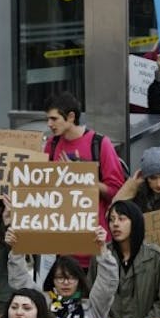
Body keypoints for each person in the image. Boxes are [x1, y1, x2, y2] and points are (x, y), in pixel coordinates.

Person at [44, 90, 126, 247]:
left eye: (54, 118)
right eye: (47, 119)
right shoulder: (51, 145)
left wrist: (81, 177)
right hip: (62, 240)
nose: (49, 124)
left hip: (96, 241)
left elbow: (117, 192)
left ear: (71, 117)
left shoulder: (100, 144)